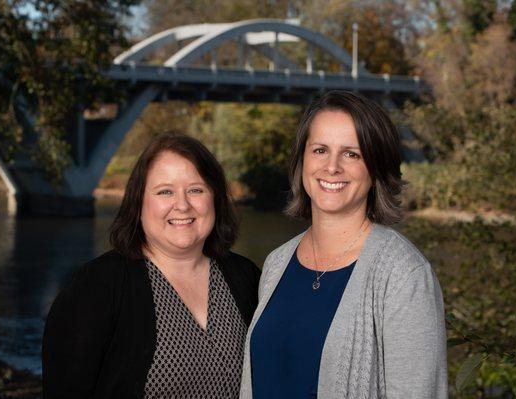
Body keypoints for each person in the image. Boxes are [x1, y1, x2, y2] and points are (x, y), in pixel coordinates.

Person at [240, 91, 447, 399]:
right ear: (302, 160)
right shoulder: (277, 263)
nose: (332, 167)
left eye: (352, 154)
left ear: (376, 169)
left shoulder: (404, 275)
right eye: (320, 150)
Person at [43, 132, 260, 399]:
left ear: (214, 198)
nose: (182, 205)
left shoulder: (246, 277)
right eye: (165, 192)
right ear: (139, 202)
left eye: (195, 190)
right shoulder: (97, 286)